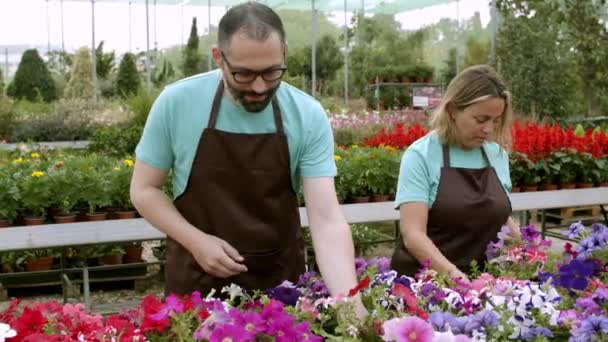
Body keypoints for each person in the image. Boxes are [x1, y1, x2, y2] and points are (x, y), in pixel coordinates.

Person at [129, 2, 365, 313]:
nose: (258, 87)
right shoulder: (177, 103)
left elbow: (326, 221)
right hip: (197, 284)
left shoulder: (307, 114)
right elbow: (144, 189)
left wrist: (350, 302)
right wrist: (197, 241)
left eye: (271, 73)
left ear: (284, 55)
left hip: (279, 288)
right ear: (219, 58)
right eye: (243, 74)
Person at [390, 65, 521, 280]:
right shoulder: (420, 156)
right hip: (426, 285)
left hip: (482, 281)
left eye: (495, 121)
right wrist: (456, 279)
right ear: (452, 110)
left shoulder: (496, 155)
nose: (488, 129)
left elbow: (498, 216)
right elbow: (413, 236)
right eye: (481, 119)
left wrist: (525, 251)